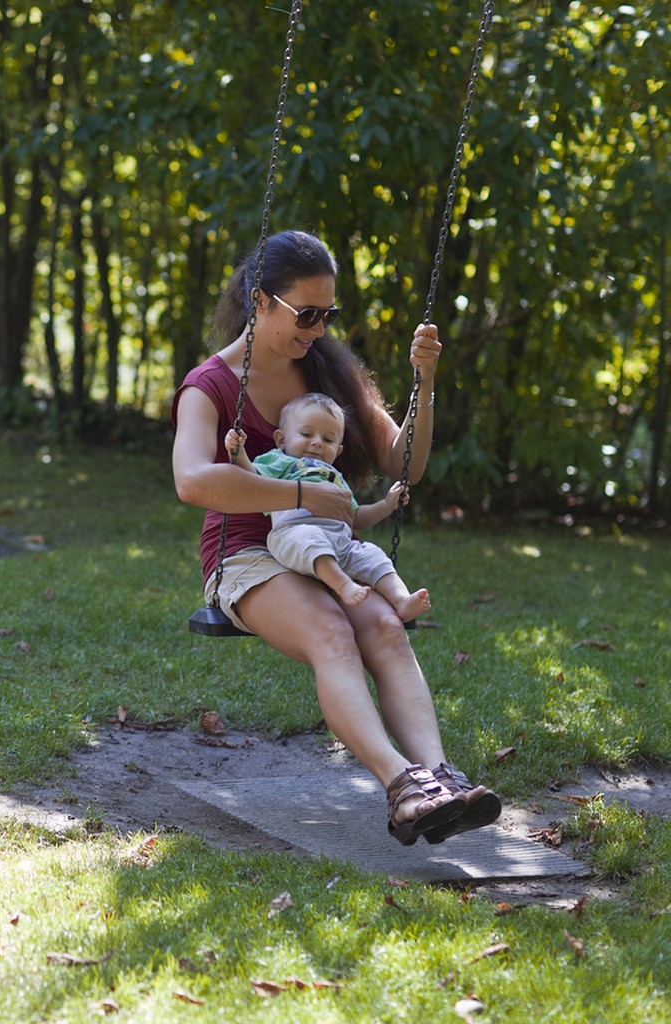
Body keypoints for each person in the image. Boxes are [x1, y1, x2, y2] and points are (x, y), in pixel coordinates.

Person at [171, 229, 499, 846]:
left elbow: (405, 464)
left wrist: (423, 385)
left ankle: (438, 776)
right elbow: (192, 481)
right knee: (332, 629)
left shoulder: (326, 373)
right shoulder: (209, 384)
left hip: (327, 544)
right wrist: (297, 494)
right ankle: (402, 787)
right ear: (259, 300)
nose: (319, 328)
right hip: (244, 557)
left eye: (329, 314)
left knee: (384, 626)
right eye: (308, 313)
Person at [225, 391, 431, 621]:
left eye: (328, 439)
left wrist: (386, 505)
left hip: (341, 543)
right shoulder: (280, 461)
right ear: (282, 440)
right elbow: (253, 479)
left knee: (373, 554)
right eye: (306, 434)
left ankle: (401, 599)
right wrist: (238, 453)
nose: (316, 443)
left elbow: (355, 517)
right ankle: (343, 585)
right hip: (293, 534)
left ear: (338, 450)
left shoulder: (334, 477)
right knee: (312, 538)